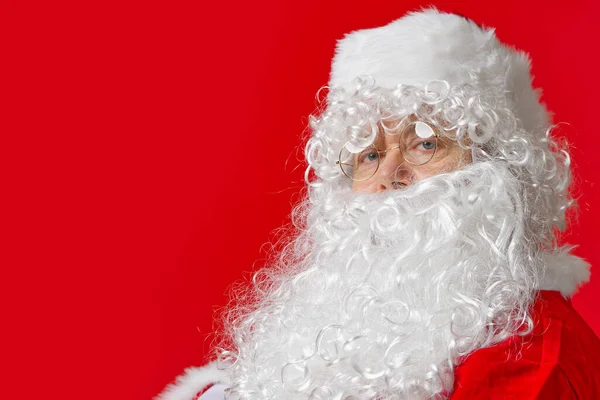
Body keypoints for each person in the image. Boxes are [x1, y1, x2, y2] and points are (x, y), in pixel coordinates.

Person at [158, 8, 600, 400]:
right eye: (369, 154)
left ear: (498, 167)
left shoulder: (533, 354)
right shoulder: (339, 332)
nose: (390, 175)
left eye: (425, 144)